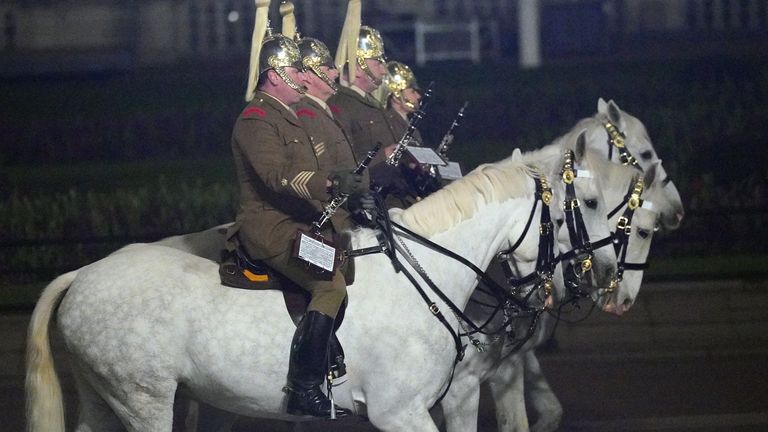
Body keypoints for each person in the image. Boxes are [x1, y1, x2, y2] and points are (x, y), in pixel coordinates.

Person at [225, 0, 358, 418]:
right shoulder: (255, 118)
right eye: (297, 72)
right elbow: (274, 174)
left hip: (298, 222)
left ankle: (327, 356)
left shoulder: (289, 116)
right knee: (331, 286)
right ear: (276, 75)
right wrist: (328, 182)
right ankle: (303, 387)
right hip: (271, 229)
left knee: (345, 268)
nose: (304, 78)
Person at [327, 1, 420, 207]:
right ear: (359, 69)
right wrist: (384, 155)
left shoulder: (372, 104)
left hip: (395, 200)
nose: (384, 70)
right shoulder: (340, 105)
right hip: (369, 203)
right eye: (378, 63)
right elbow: (339, 164)